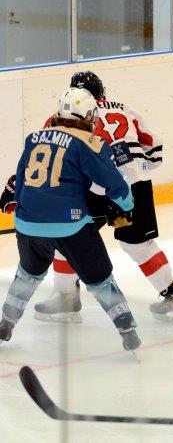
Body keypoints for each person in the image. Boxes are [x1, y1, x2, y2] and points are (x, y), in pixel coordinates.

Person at [32, 71, 173, 324]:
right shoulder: (125, 110)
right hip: (132, 187)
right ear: (102, 92)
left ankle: (66, 299)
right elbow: (155, 149)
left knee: (67, 238)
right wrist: (135, 169)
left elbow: (51, 158)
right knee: (138, 245)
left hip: (90, 190)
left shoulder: (58, 118)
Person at [0, 87, 140, 352]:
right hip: (70, 225)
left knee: (27, 273)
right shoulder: (89, 141)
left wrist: (24, 210)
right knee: (100, 278)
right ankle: (127, 328)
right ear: (86, 115)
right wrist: (127, 205)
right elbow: (114, 182)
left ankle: (6, 322)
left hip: (27, 223)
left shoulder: (33, 138)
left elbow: (20, 182)